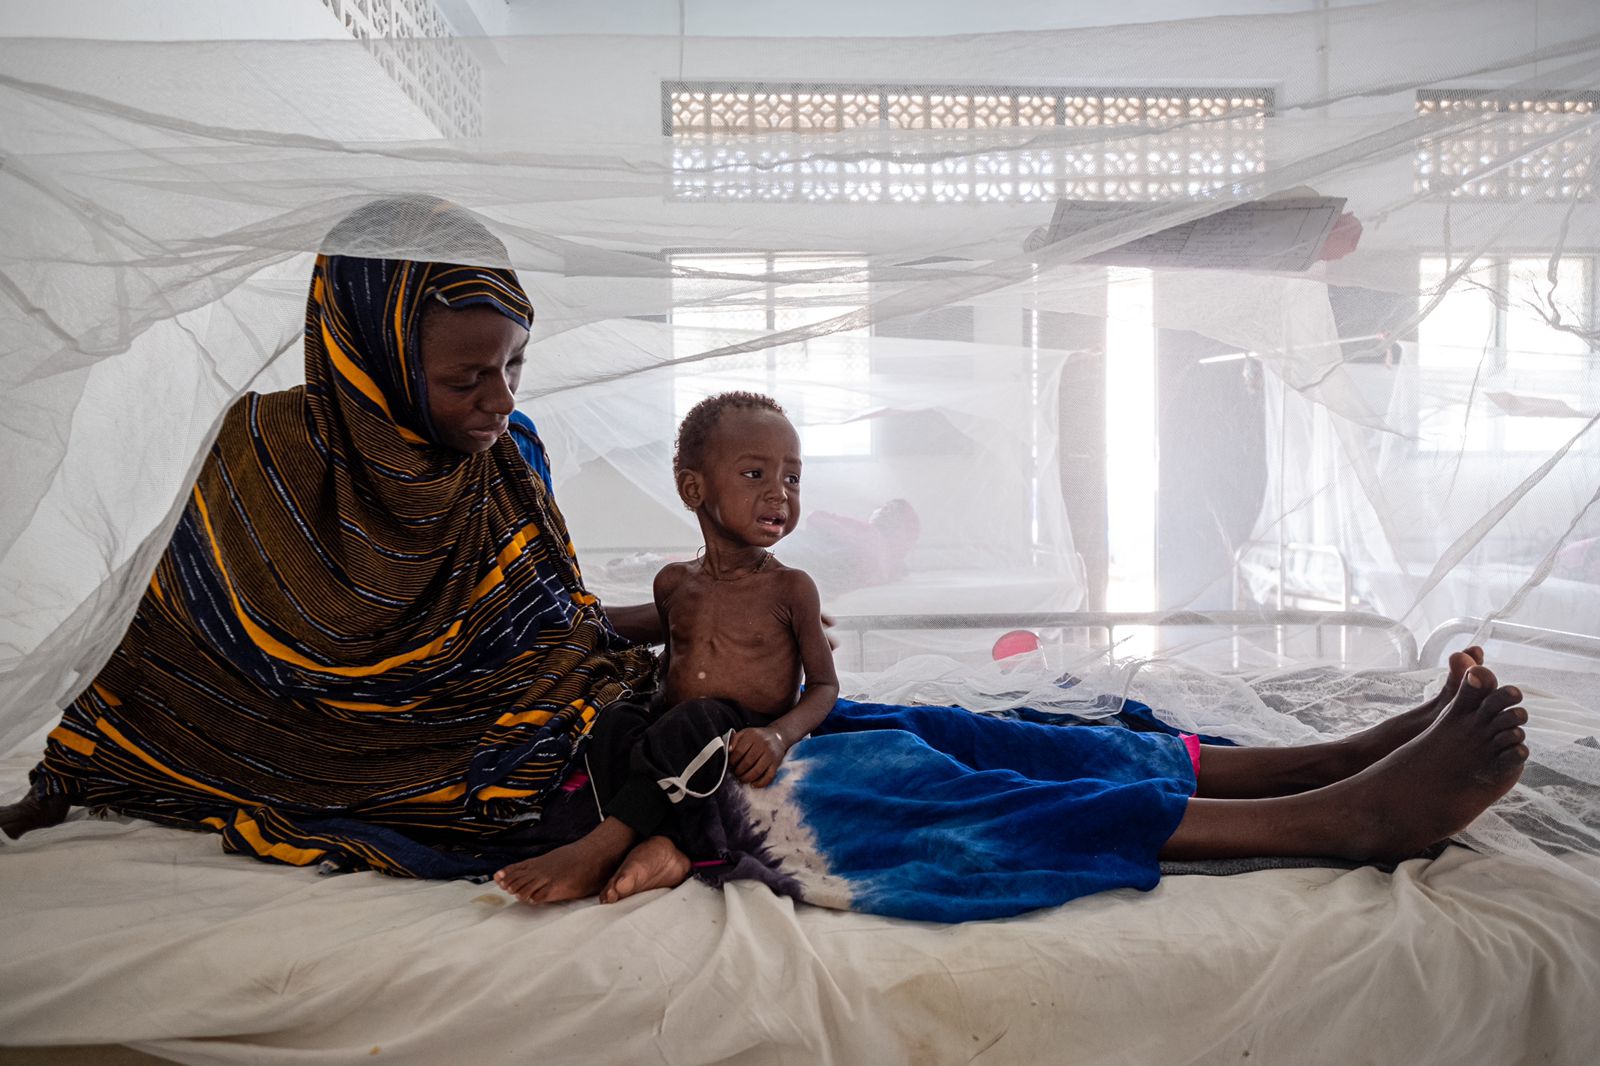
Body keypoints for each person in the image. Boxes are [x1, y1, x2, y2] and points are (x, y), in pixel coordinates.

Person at [0, 197, 680, 884]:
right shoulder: (265, 447)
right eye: (466, 379)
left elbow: (545, 629)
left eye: (515, 366)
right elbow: (169, 632)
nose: (502, 399)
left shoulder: (508, 458)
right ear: (369, 357)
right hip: (287, 737)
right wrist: (70, 770)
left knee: (672, 736)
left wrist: (672, 615)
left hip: (462, 726)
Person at [495, 392, 839, 904]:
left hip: (733, 732)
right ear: (692, 487)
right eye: (755, 475)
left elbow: (826, 685)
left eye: (792, 478)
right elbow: (646, 639)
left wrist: (777, 736)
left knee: (692, 721)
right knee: (617, 724)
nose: (779, 494)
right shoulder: (675, 583)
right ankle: (663, 843)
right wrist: (551, 615)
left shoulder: (791, 589)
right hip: (679, 728)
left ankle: (603, 845)